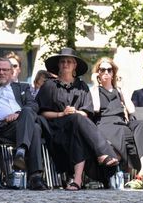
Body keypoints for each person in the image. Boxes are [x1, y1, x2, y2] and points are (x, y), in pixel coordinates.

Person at [36, 48, 119, 191]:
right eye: (62, 61)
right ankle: (103, 152)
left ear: (75, 66)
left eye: (69, 61)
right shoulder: (49, 85)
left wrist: (75, 112)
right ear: (58, 65)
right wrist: (62, 114)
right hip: (55, 129)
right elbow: (41, 113)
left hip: (77, 128)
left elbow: (87, 112)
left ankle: (77, 180)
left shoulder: (82, 86)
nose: (65, 64)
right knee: (75, 120)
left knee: (77, 124)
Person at [0, 57, 49, 190]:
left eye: (5, 70)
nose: (1, 72)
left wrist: (18, 114)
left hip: (19, 124)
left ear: (11, 72)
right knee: (34, 128)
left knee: (31, 118)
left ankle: (22, 152)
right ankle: (34, 176)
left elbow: (33, 105)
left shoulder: (23, 87)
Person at [90, 56, 143, 187]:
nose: (106, 72)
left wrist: (123, 90)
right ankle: (133, 168)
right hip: (105, 123)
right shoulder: (95, 90)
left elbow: (131, 109)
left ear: (113, 73)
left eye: (109, 70)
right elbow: (95, 108)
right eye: (102, 70)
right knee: (124, 133)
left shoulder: (118, 90)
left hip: (121, 123)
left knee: (141, 124)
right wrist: (95, 84)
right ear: (98, 73)